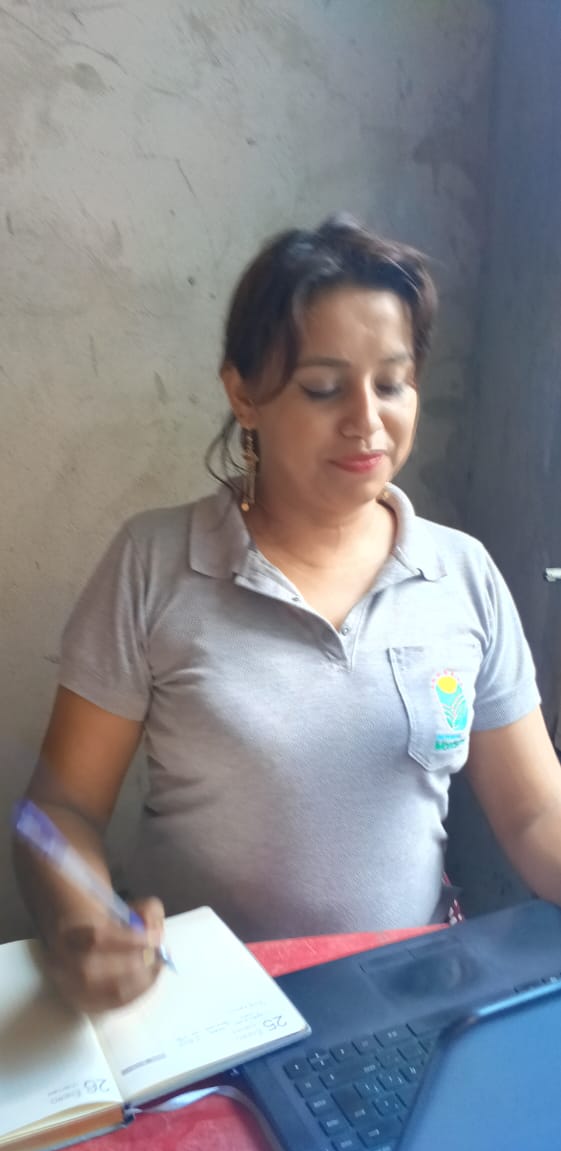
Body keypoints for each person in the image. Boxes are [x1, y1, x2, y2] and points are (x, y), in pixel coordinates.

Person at [15, 215, 561, 1013]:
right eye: (322, 388)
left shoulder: (460, 574)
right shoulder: (155, 564)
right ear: (243, 394)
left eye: (391, 383)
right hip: (202, 1009)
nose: (365, 420)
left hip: (403, 999)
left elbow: (536, 811)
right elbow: (57, 809)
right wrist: (81, 924)